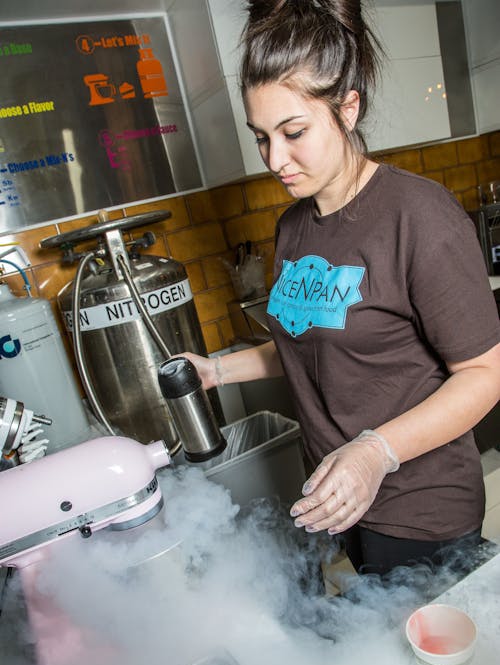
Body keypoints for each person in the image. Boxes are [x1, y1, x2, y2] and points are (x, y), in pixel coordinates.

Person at [182, 0, 500, 579]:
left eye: (293, 131)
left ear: (347, 108)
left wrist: (376, 452)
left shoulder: (418, 216)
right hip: (344, 499)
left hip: (420, 509)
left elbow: (484, 375)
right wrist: (217, 371)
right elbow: (306, 339)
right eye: (261, 138)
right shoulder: (293, 226)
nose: (276, 159)